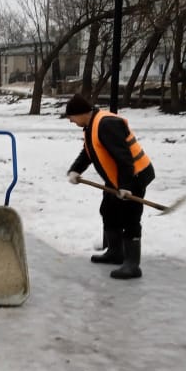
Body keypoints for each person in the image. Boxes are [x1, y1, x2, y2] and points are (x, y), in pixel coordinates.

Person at [63, 94, 155, 279]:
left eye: (71, 117)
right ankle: (115, 252)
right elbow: (89, 152)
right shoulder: (91, 126)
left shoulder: (106, 124)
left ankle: (132, 265)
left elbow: (124, 157)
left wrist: (126, 185)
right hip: (118, 178)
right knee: (109, 210)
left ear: (81, 113)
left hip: (134, 176)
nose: (71, 121)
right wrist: (75, 170)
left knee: (130, 218)